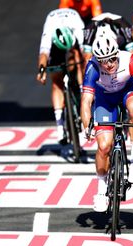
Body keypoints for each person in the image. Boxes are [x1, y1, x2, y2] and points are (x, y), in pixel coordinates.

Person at [81, 35, 133, 212]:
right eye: (104, 61)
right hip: (105, 100)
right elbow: (86, 100)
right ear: (97, 60)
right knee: (103, 146)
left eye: (112, 59)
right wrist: (87, 125)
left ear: (117, 54)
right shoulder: (92, 66)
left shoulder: (129, 60)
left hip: (129, 91)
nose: (109, 64)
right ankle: (101, 190)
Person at [36, 8, 85, 144]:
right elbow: (44, 54)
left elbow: (86, 53)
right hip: (56, 45)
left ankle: (82, 91)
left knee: (80, 60)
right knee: (56, 80)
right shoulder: (50, 27)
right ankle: (59, 124)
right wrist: (41, 71)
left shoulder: (76, 24)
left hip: (73, 43)